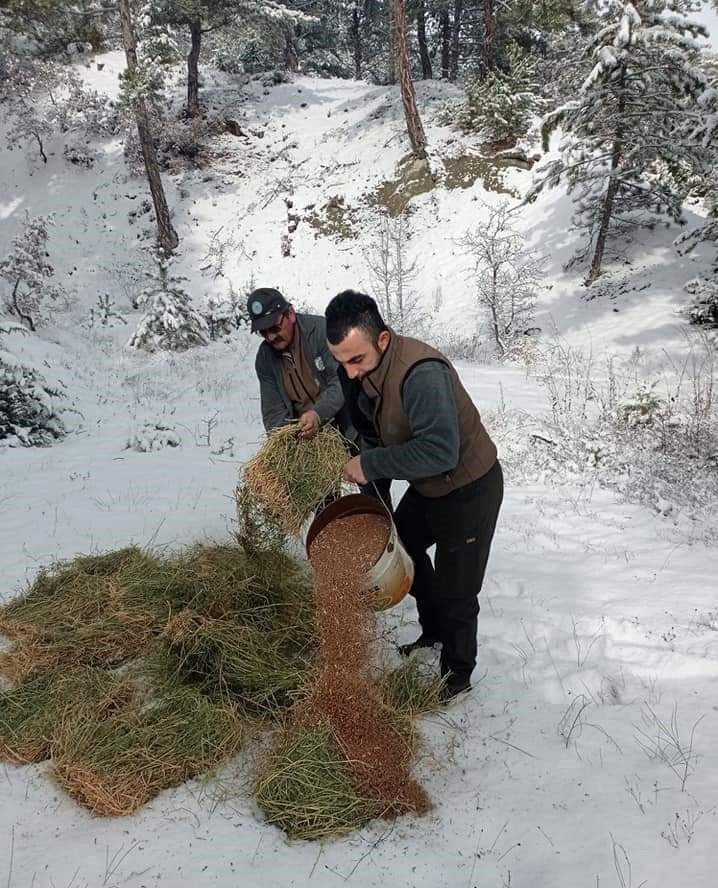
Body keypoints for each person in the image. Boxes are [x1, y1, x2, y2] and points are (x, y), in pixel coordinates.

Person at [324, 290, 503, 703]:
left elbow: (442, 451)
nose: (349, 373)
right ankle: (435, 631)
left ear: (382, 340)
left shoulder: (420, 374)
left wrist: (370, 465)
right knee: (402, 546)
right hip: (429, 487)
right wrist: (373, 492)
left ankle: (457, 676)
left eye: (356, 360)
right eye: (341, 361)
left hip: (469, 488)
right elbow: (372, 432)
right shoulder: (359, 373)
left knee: (460, 589)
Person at [247, 287, 391, 506]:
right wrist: (285, 447)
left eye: (275, 327)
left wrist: (317, 413)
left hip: (352, 426)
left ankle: (384, 535)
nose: (271, 336)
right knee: (324, 505)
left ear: (291, 314)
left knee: (374, 494)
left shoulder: (323, 331)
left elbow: (343, 382)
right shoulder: (265, 359)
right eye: (263, 332)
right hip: (312, 442)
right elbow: (273, 412)